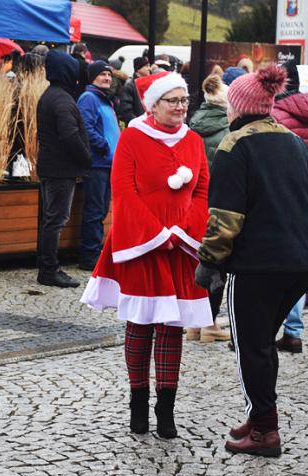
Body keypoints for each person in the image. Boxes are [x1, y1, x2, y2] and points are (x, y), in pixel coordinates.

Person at [197, 64, 308, 457]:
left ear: (238, 108)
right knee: (263, 344)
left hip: (257, 264)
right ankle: (259, 418)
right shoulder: (292, 140)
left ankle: (265, 432)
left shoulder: (234, 145)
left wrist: (209, 263)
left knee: (249, 346)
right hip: (302, 262)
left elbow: (225, 219)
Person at [80, 71, 211, 438]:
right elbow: (122, 191)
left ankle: (165, 411)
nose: (181, 107)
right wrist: (155, 234)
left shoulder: (195, 141)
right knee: (139, 328)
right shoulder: (133, 138)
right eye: (173, 101)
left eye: (185, 100)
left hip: (179, 247)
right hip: (143, 246)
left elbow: (202, 192)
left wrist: (184, 232)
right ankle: (138, 406)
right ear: (153, 105)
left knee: (172, 329)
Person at [270, 58, 308, 353]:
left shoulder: (273, 115)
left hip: (277, 203)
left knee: (269, 267)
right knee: (297, 269)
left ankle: (264, 330)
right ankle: (293, 332)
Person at [36, 50, 92, 289]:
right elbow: (69, 135)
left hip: (53, 167)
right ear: (67, 72)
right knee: (55, 220)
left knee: (51, 219)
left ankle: (47, 267)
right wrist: (86, 157)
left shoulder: (52, 95)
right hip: (60, 169)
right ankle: (49, 270)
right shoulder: (61, 99)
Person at [188, 73, 231, 344]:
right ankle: (210, 324)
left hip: (193, 204)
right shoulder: (228, 129)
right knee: (218, 263)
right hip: (219, 203)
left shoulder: (192, 126)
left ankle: (194, 324)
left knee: (198, 262)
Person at [77, 61, 121, 271]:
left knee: (102, 210)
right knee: (94, 211)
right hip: (97, 163)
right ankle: (89, 256)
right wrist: (104, 145)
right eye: (103, 74)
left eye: (109, 75)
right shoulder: (89, 99)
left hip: (108, 163)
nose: (107, 78)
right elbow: (84, 127)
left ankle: (95, 253)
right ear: (92, 77)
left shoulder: (104, 100)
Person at [119, 57, 151, 125]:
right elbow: (126, 110)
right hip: (137, 127)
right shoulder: (129, 86)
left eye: (149, 66)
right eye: (146, 66)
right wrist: (139, 124)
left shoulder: (150, 84)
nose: (149, 69)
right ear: (138, 69)